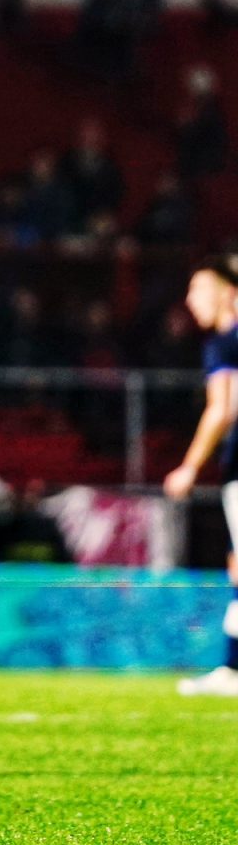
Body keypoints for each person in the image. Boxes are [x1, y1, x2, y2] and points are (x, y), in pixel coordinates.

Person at [167, 255, 238, 696]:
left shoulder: (225, 342)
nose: (191, 301)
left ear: (228, 292)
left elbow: (222, 409)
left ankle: (232, 670)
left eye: (199, 290)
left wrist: (189, 466)